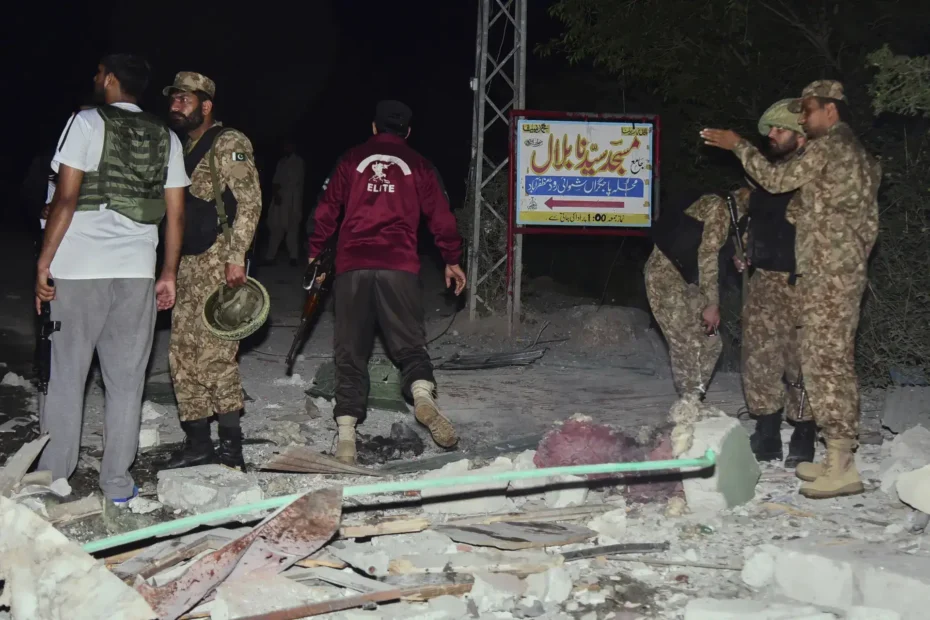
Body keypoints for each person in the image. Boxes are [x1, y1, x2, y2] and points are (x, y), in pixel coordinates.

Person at [701, 80, 881, 498]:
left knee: (825, 364)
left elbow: (777, 180)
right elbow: (825, 211)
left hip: (829, 277)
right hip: (834, 272)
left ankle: (842, 465)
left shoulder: (830, 145)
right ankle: (836, 458)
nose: (803, 117)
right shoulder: (852, 154)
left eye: (808, 110)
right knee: (822, 362)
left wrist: (738, 145)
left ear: (830, 110)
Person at [34, 54, 188, 505]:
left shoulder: (85, 122)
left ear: (112, 80)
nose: (96, 78)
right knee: (126, 383)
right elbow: (176, 213)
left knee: (67, 376)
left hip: (79, 268)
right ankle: (117, 483)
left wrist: (44, 262)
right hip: (136, 271)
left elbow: (65, 198)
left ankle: (54, 477)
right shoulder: (166, 136)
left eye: (99, 73)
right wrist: (168, 272)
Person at [308, 100, 467, 465]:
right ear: (408, 132)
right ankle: (422, 396)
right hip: (399, 266)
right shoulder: (420, 164)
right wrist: (451, 258)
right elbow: (442, 216)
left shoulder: (351, 159)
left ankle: (346, 438)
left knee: (350, 352)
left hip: (353, 266)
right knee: (410, 346)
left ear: (374, 127)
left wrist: (316, 255)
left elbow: (326, 209)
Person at [161, 72, 263, 471]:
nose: (176, 106)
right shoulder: (182, 147)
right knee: (182, 355)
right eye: (173, 99)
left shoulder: (228, 142)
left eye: (185, 99)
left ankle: (232, 450)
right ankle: (198, 444)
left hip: (218, 262)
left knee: (216, 356)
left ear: (206, 105)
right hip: (187, 264)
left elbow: (250, 201)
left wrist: (236, 256)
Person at [737, 99, 815, 469]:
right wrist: (746, 251)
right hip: (764, 278)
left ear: (801, 136)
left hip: (804, 281)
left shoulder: (815, 172)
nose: (771, 135)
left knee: (802, 358)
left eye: (779, 129)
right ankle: (766, 431)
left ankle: (804, 432)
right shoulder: (768, 177)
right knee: (759, 356)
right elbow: (763, 220)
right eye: (769, 129)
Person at [646, 184, 744, 454]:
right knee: (686, 343)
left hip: (688, 284)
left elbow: (717, 245)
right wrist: (712, 303)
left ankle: (692, 399)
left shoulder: (732, 216)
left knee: (711, 342)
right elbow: (707, 255)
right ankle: (686, 412)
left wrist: (737, 254)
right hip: (666, 279)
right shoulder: (720, 207)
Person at [264, 141, 305, 266]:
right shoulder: (281, 162)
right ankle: (270, 257)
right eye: (285, 146)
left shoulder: (298, 162)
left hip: (292, 202)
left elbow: (296, 183)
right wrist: (276, 194)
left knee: (292, 229)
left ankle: (293, 257)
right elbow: (275, 181)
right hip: (279, 201)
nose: (286, 147)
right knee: (276, 228)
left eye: (288, 145)